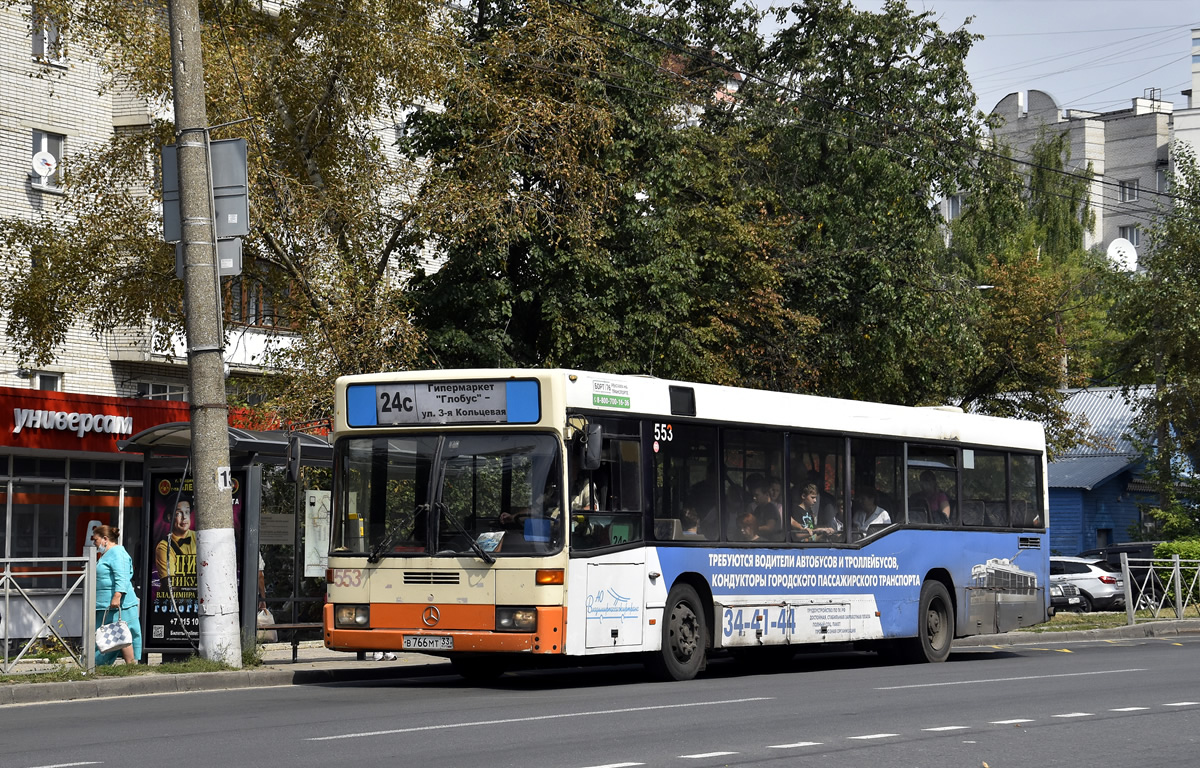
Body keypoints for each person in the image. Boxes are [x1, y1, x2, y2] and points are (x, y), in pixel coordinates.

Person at [91, 525, 141, 666]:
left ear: (105, 539)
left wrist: (117, 596)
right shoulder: (106, 554)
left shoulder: (118, 552)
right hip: (105, 604)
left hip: (119, 604)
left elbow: (122, 576)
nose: (94, 543)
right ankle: (99, 665)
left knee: (121, 634)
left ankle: (130, 666)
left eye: (95, 540)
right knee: (115, 635)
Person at [155, 499, 197, 583]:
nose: (184, 517)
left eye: (187, 512)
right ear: (170, 517)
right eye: (179, 513)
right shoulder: (164, 547)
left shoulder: (199, 537)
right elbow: (170, 584)